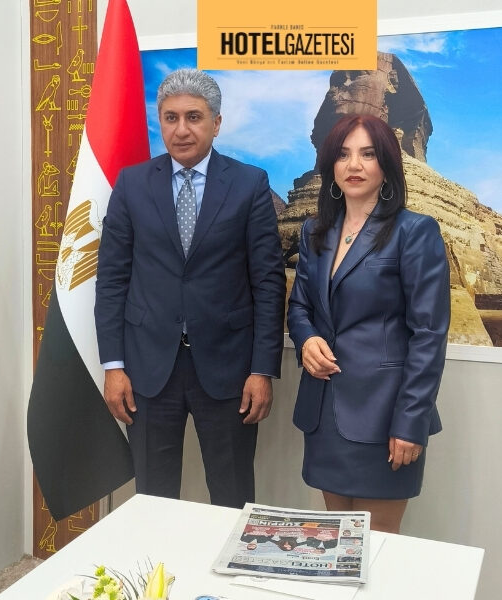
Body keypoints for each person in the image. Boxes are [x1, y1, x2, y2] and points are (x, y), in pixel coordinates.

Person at [94, 68, 286, 509]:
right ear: (160, 122)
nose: (181, 130)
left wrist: (263, 370)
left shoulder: (249, 184)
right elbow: (113, 280)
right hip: (147, 370)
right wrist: (113, 366)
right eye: (170, 117)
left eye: (194, 117)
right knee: (153, 501)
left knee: (232, 496)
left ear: (216, 123)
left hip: (229, 369)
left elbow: (268, 283)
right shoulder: (131, 184)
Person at [287, 114, 450, 533]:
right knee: (337, 545)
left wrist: (411, 422)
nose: (354, 165)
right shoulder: (314, 232)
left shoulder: (415, 232)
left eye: (367, 154)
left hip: (385, 418)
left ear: (386, 164)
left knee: (378, 549)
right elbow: (300, 307)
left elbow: (429, 336)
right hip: (324, 414)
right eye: (343, 155)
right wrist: (306, 341)